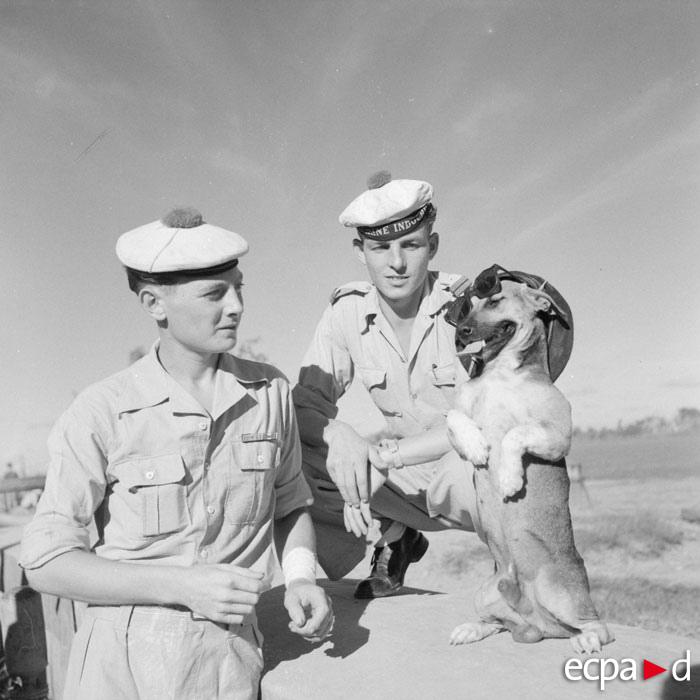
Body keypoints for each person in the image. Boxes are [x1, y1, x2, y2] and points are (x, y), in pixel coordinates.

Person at [20, 207, 333, 700]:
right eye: (214, 294)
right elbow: (44, 561)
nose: (235, 307)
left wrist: (298, 579)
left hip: (228, 664)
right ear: (154, 303)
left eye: (239, 288)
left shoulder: (269, 391)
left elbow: (291, 503)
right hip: (120, 671)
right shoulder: (102, 411)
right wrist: (180, 585)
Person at [293, 172, 478, 599]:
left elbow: (482, 424)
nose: (396, 263)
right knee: (295, 450)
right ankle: (396, 538)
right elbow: (304, 404)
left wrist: (384, 455)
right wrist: (338, 433)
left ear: (432, 246)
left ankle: (520, 570)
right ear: (361, 252)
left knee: (491, 462)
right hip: (400, 480)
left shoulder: (466, 306)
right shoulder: (346, 313)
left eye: (410, 245)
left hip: (464, 471)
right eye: (380, 248)